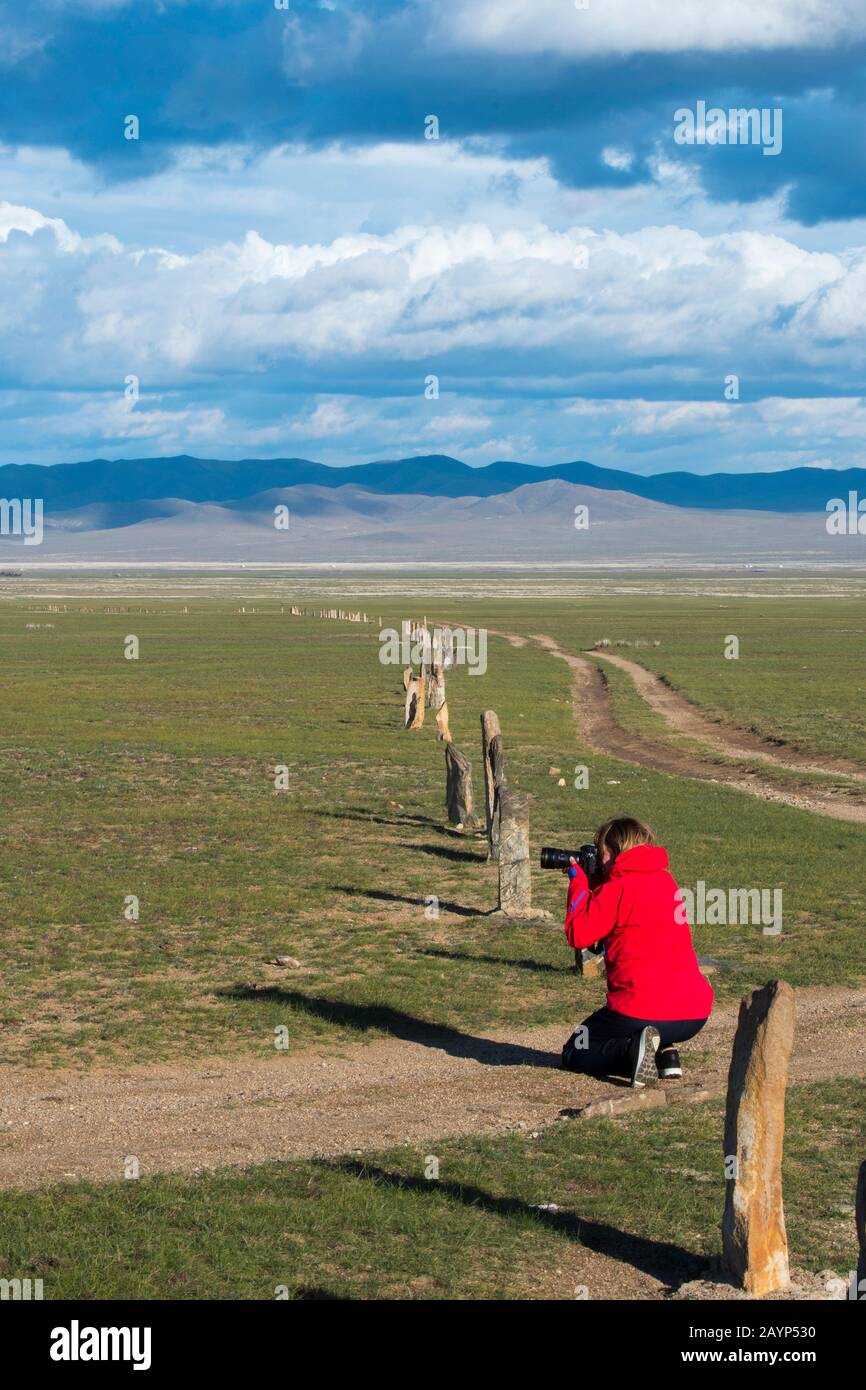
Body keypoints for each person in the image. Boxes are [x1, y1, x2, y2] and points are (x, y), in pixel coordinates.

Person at [561, 815, 713, 1087]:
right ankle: (666, 1055)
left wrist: (578, 880)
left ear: (615, 851)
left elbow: (578, 933)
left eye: (601, 851)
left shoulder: (617, 889)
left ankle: (632, 1052)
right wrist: (598, 880)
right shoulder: (667, 882)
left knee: (576, 1048)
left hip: (638, 1010)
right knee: (651, 1020)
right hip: (693, 1013)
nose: (599, 857)